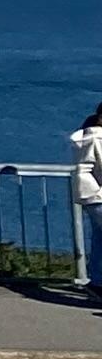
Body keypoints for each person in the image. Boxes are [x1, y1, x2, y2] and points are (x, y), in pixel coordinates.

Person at [72, 99, 102, 298]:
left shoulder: (88, 137)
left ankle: (98, 281)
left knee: (99, 239)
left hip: (93, 197)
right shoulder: (96, 139)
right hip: (98, 196)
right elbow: (86, 169)